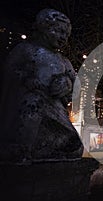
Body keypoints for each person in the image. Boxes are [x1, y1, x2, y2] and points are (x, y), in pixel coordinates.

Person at [0, 8, 83, 163]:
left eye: (66, 34)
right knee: (33, 105)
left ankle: (41, 149)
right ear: (42, 28)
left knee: (75, 146)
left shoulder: (64, 61)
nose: (62, 37)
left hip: (54, 114)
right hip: (27, 107)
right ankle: (20, 146)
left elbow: (77, 87)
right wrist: (26, 80)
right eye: (58, 31)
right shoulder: (25, 50)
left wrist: (68, 85)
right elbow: (9, 73)